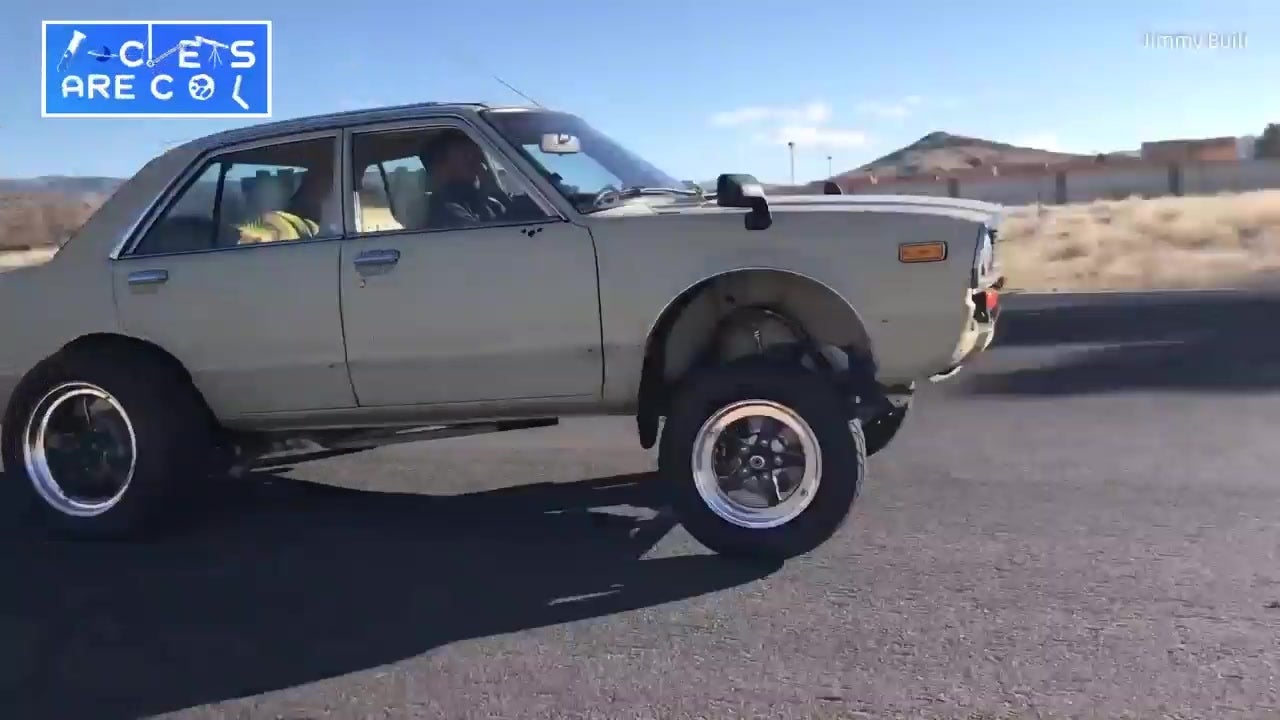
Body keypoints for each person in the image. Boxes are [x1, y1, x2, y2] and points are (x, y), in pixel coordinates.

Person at [421, 129, 506, 229]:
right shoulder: (446, 210)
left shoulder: (479, 200)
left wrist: (490, 190)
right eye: (464, 154)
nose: (475, 161)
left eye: (475, 154)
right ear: (439, 168)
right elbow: (485, 237)